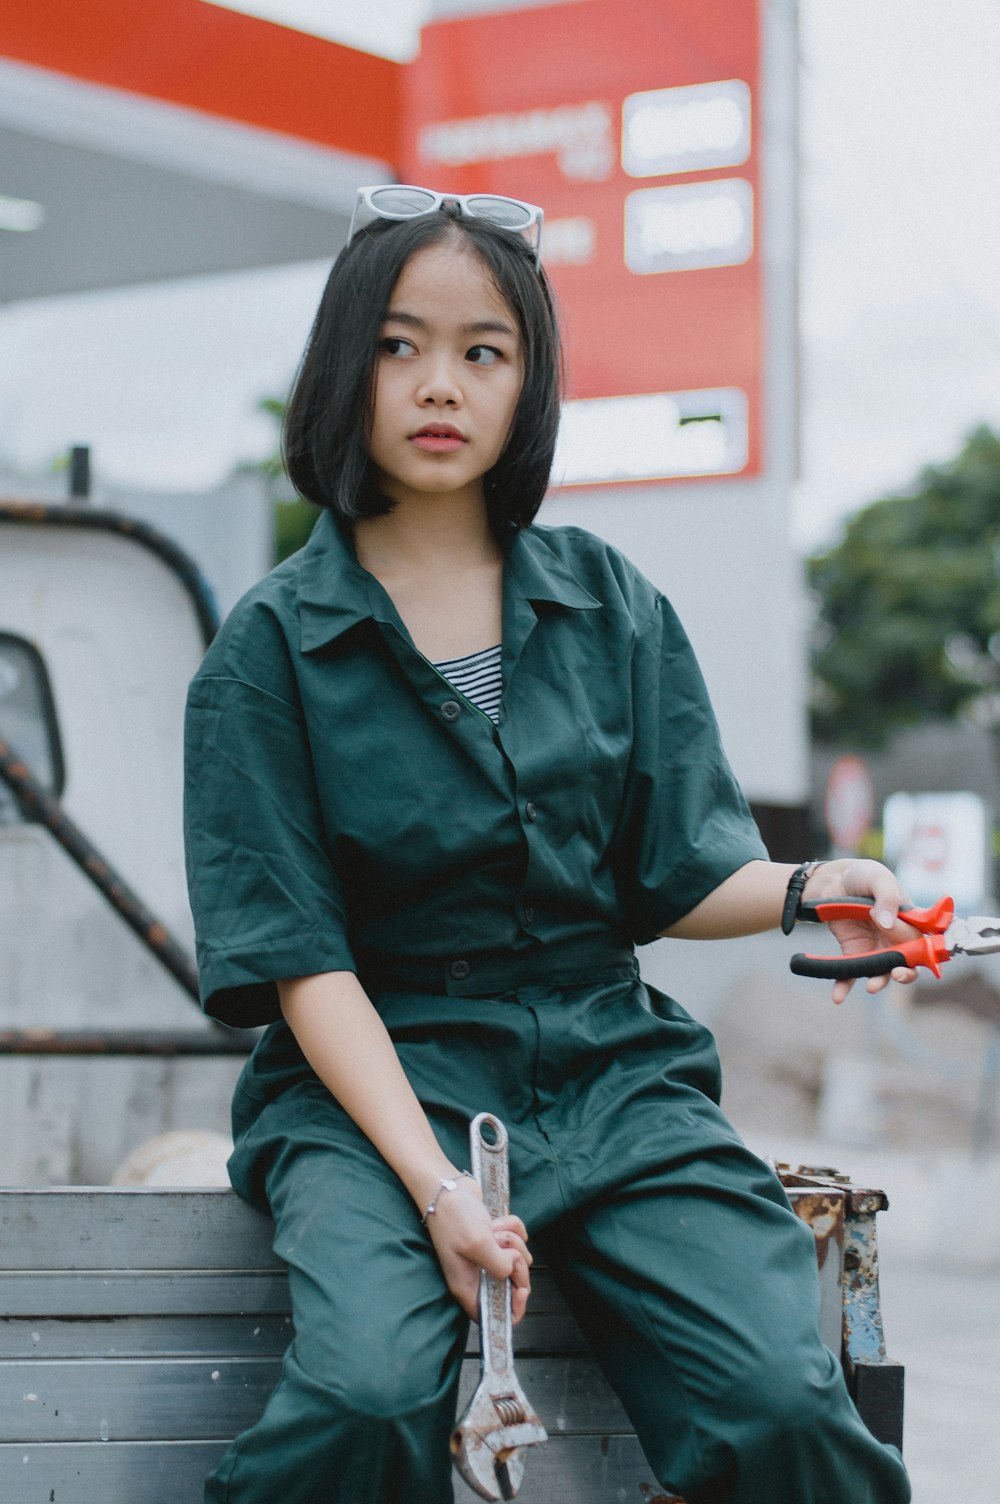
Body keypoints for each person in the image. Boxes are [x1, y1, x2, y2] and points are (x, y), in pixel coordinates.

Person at [183, 185, 913, 1504]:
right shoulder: (269, 652)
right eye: (399, 346)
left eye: (483, 350)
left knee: (784, 1403)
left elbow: (677, 873)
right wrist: (435, 1187)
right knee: (362, 1397)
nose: (437, 384)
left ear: (530, 380)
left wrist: (812, 887)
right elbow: (302, 962)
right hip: (374, 1085)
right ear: (346, 367)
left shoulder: (611, 604)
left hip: (611, 1072)